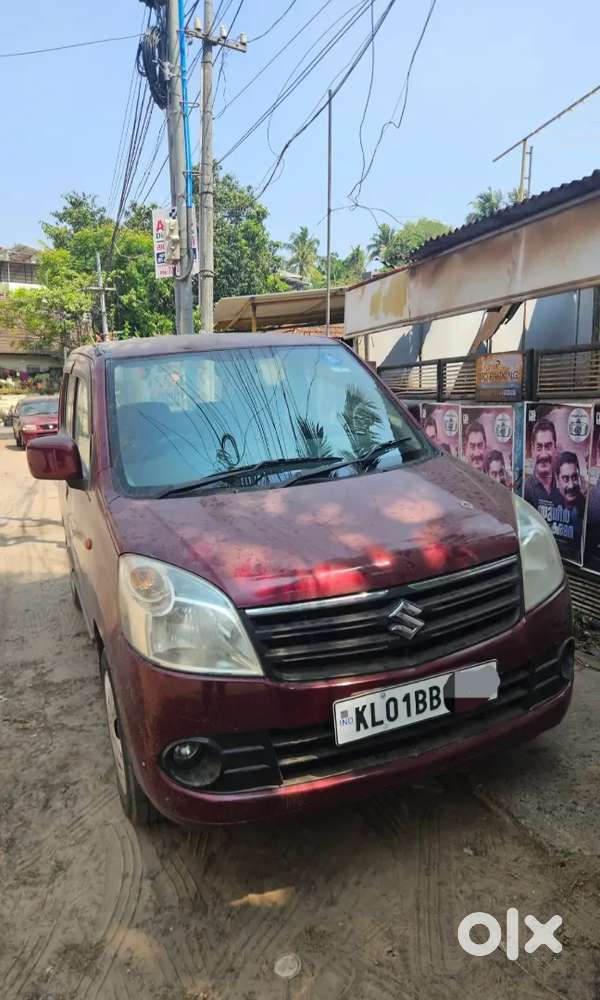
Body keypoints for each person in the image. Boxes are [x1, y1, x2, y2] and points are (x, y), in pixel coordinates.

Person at [541, 451, 586, 562]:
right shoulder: (547, 503)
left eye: (574, 477)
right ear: (557, 480)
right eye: (565, 479)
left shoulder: (588, 510)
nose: (571, 485)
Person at [524, 418, 561, 510]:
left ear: (555, 448)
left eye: (548, 447)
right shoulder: (524, 489)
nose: (544, 455)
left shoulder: (565, 487)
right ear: (532, 450)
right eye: (539, 447)